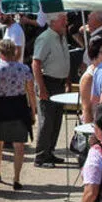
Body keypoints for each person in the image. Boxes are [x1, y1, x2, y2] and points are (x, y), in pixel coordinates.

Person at [0, 38, 35, 190]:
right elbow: (31, 91)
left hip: (2, 106)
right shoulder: (24, 69)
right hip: (20, 106)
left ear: (0, 52)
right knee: (19, 144)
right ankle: (16, 178)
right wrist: (33, 110)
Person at [33, 12, 71, 168]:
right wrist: (42, 88)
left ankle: (49, 152)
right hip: (48, 82)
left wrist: (67, 81)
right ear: (53, 22)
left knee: (56, 120)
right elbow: (36, 63)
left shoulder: (61, 36)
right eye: (63, 20)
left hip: (59, 83)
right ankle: (40, 157)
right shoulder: (46, 38)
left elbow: (65, 60)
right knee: (47, 121)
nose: (66, 22)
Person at [79, 36, 102, 125]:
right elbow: (87, 109)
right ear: (94, 55)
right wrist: (90, 131)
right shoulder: (89, 77)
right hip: (93, 124)